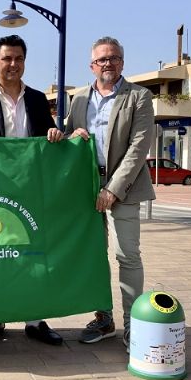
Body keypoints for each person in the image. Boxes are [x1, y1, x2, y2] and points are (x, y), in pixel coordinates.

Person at [0, 34, 64, 346]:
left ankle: (35, 319)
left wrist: (58, 135)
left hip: (31, 190)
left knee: (34, 252)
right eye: (6, 58)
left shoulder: (35, 99)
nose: (13, 64)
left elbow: (48, 136)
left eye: (18, 58)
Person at [65, 36, 155, 352]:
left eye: (114, 58)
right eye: (102, 59)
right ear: (92, 65)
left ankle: (134, 328)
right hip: (86, 188)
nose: (108, 63)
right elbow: (67, 141)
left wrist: (113, 189)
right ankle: (104, 319)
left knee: (127, 255)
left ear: (122, 63)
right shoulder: (77, 99)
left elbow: (139, 147)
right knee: (94, 256)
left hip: (125, 189)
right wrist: (66, 134)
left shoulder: (139, 97)